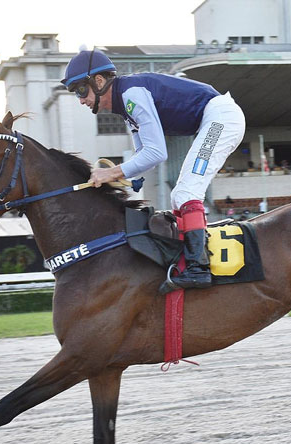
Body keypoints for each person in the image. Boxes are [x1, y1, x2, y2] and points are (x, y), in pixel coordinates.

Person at [62, 49, 246, 289]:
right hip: (214, 119)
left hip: (221, 118)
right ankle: (189, 262)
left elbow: (157, 152)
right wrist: (129, 177)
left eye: (81, 90)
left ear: (98, 81)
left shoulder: (131, 95)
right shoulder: (125, 106)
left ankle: (198, 269)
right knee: (178, 197)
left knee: (186, 194)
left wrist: (112, 172)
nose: (81, 99)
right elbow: (144, 155)